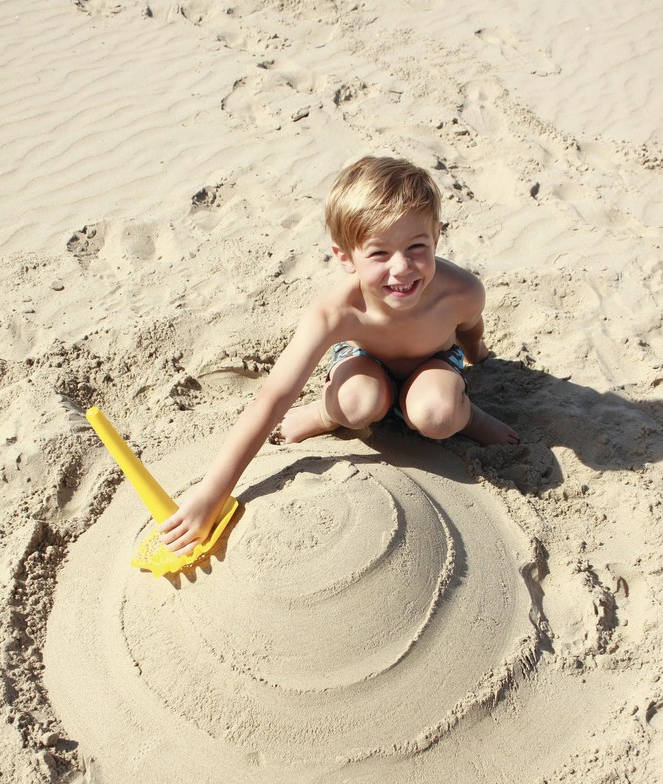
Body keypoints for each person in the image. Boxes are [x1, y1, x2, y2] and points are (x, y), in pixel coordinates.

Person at [160, 155, 519, 556]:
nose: (401, 269)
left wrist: (480, 356)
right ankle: (325, 414)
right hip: (366, 364)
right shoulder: (335, 311)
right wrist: (212, 494)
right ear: (346, 257)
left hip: (433, 365)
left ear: (436, 237)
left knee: (438, 415)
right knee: (356, 402)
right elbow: (274, 395)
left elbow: (471, 329)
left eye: (417, 247)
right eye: (379, 253)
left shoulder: (462, 291)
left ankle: (470, 415)